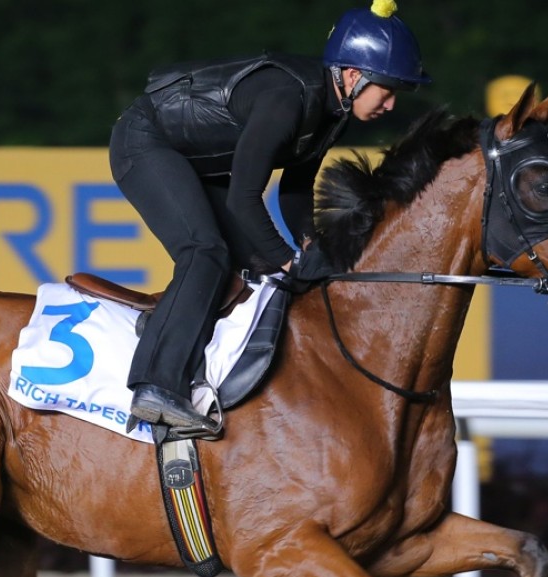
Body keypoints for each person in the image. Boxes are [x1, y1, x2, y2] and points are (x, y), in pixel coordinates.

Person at [110, 1, 431, 433]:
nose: (391, 105)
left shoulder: (333, 112)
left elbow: (295, 188)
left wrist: (310, 245)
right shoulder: (287, 101)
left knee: (255, 267)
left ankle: (174, 319)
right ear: (354, 76)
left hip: (195, 161)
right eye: (387, 91)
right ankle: (155, 384)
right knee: (205, 250)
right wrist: (288, 260)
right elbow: (244, 198)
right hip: (145, 143)